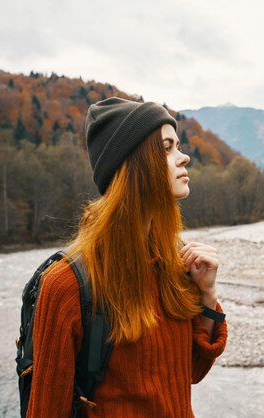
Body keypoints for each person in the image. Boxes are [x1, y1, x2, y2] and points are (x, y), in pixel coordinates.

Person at [26, 97, 228, 417]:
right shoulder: (67, 285)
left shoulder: (175, 264)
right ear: (134, 164)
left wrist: (207, 294)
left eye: (178, 146)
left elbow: (191, 372)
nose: (184, 157)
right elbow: (46, 409)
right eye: (166, 148)